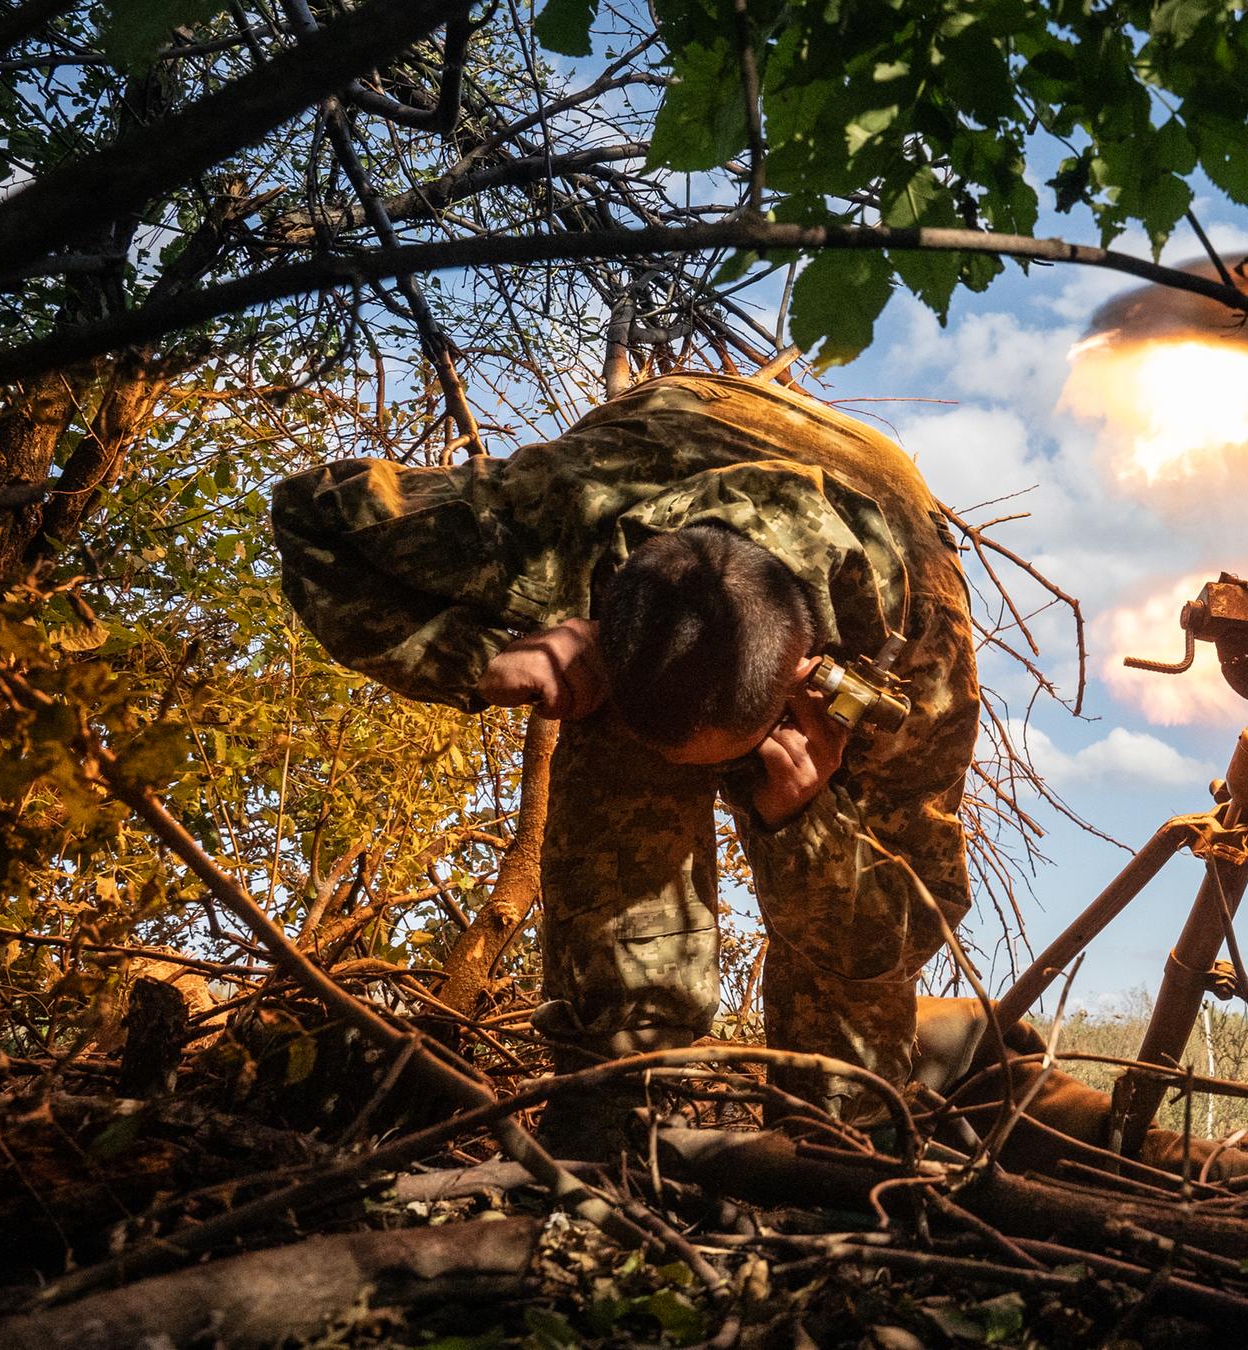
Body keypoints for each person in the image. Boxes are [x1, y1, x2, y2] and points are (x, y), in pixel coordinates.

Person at [269, 371, 979, 1148]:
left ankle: (835, 1155)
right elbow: (313, 515)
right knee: (619, 821)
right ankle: (615, 1129)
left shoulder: (921, 665)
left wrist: (801, 823)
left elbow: (910, 924)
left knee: (848, 901)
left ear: (807, 683)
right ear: (598, 622)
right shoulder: (550, 520)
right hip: (667, 443)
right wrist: (480, 658)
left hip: (872, 498)